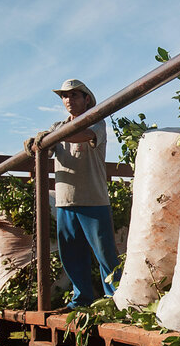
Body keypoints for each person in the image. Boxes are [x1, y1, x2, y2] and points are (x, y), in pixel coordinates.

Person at [24, 78, 119, 310]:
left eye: (74, 95)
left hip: (93, 200)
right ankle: (81, 298)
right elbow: (44, 152)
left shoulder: (96, 122)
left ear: (87, 99)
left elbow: (79, 135)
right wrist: (37, 144)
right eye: (65, 96)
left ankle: (117, 301)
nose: (69, 100)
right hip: (66, 202)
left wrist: (50, 137)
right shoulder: (57, 127)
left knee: (106, 256)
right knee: (72, 255)